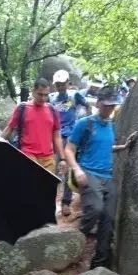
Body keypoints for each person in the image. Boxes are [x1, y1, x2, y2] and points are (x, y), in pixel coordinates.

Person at [65, 86, 137, 269]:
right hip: (88, 172)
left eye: (112, 106)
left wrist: (124, 147)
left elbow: (105, 148)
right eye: (106, 105)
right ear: (97, 103)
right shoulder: (85, 124)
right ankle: (73, 242)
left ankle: (99, 264)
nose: (109, 109)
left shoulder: (111, 127)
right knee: (95, 209)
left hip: (107, 176)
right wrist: (77, 169)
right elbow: (69, 149)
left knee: (109, 219)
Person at [1, 77, 66, 174]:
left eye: (46, 95)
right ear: (33, 91)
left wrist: (62, 159)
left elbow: (56, 135)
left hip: (48, 159)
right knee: (30, 187)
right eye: (40, 94)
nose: (43, 98)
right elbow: (9, 129)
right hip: (28, 155)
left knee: (46, 188)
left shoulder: (52, 110)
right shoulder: (22, 108)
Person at [49, 69, 90, 217]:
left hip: (71, 136)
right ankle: (49, 201)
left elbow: (87, 106)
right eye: (58, 84)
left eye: (63, 84)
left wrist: (83, 121)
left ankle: (66, 202)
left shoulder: (75, 95)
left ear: (68, 83)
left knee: (68, 167)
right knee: (54, 167)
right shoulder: (51, 98)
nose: (60, 87)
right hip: (56, 136)